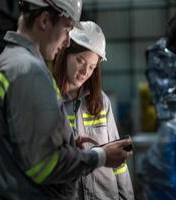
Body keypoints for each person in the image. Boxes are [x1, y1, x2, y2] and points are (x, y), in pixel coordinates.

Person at [0, 0, 132, 199]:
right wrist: (100, 156)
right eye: (67, 29)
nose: (68, 42)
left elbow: (20, 150)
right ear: (44, 21)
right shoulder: (30, 72)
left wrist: (68, 146)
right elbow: (46, 166)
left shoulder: (0, 65)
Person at [53, 21, 135, 200]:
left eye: (91, 66)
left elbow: (119, 160)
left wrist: (127, 197)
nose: (85, 71)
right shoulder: (50, 100)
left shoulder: (101, 102)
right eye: (80, 60)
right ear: (65, 54)